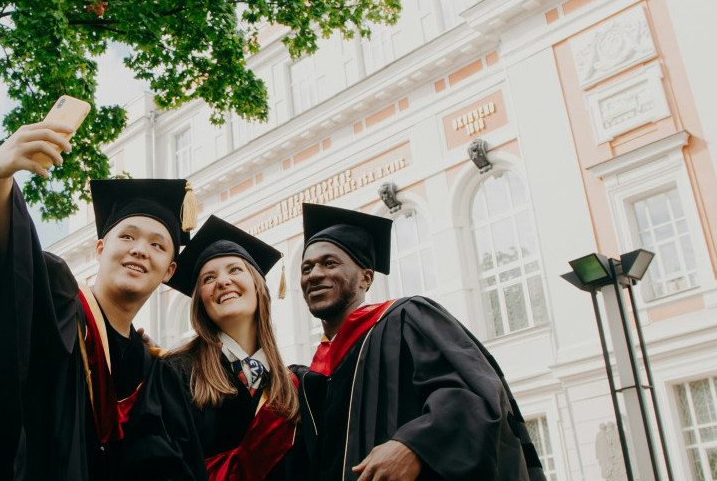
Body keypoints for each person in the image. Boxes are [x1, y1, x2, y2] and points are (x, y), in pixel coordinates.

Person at [0, 120, 197, 481]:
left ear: (170, 270)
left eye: (157, 245)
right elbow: (10, 279)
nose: (140, 250)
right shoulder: (57, 301)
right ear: (100, 248)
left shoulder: (154, 374)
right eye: (127, 236)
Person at [293, 203, 546, 481]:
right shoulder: (314, 378)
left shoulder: (406, 319)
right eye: (306, 268)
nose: (314, 274)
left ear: (366, 278)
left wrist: (415, 445)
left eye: (329, 263)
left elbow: (472, 393)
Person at [122, 216, 301, 481]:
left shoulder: (292, 386)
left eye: (235, 270)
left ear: (257, 285)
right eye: (208, 278)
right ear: (200, 302)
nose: (222, 281)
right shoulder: (176, 374)